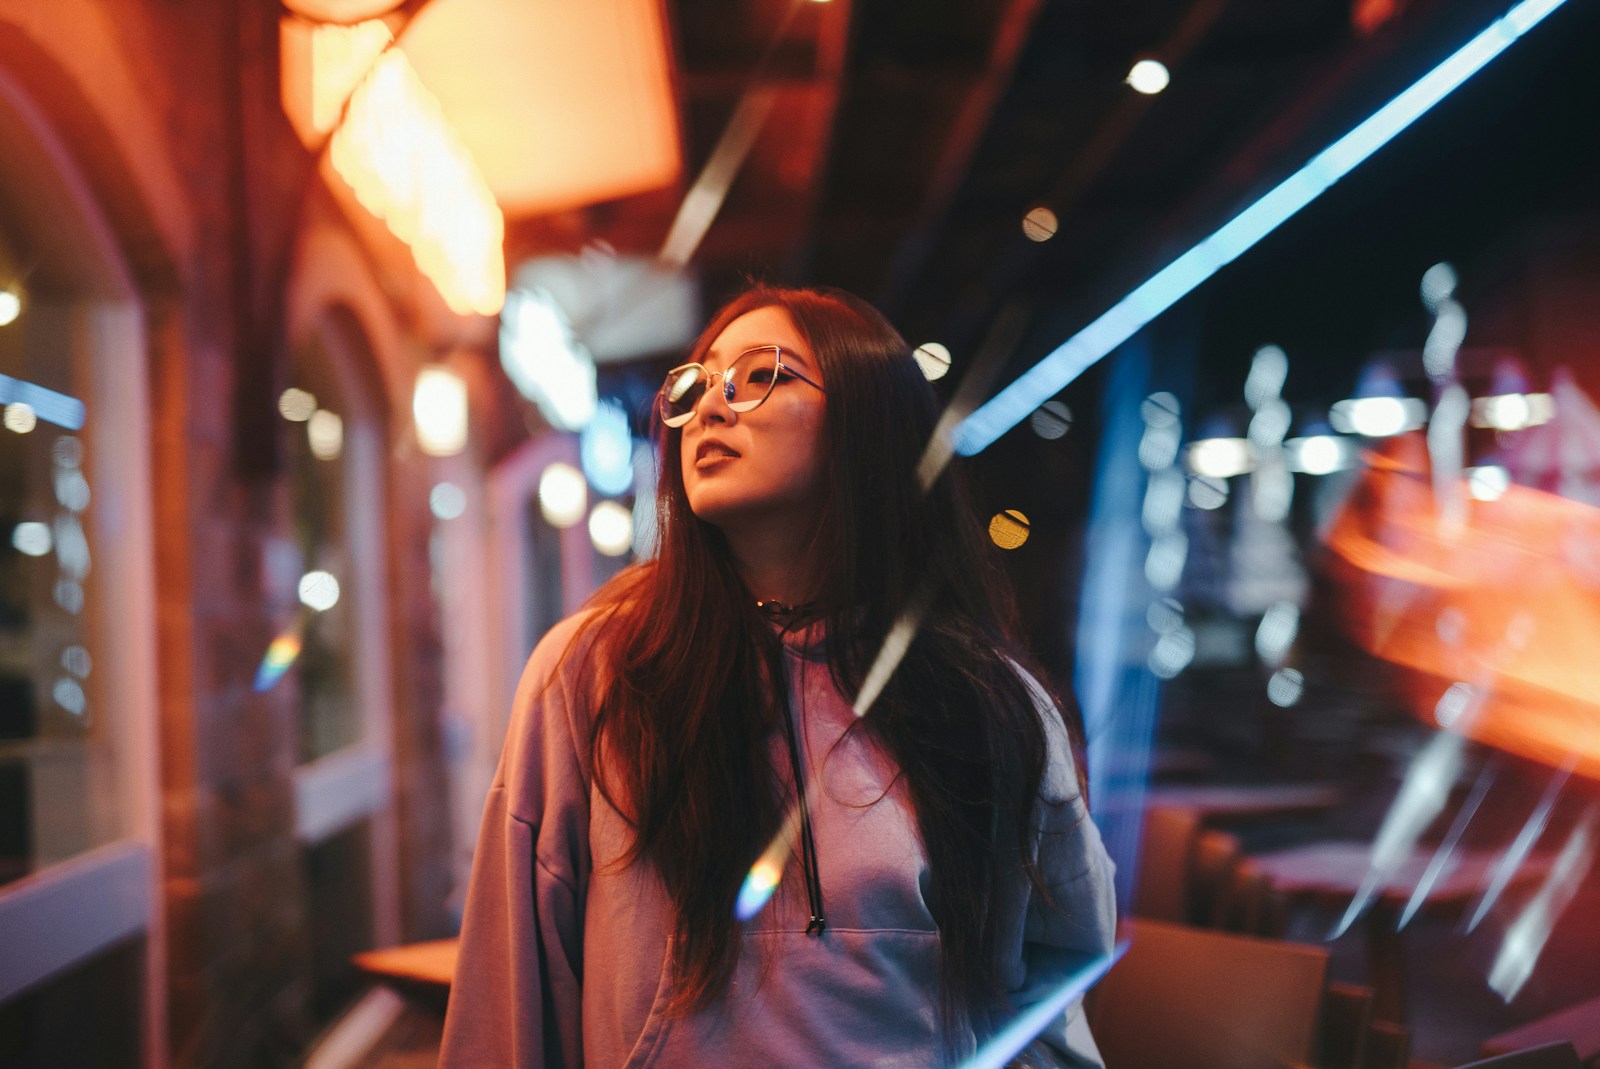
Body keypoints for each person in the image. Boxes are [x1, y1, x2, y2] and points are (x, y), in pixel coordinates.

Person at [438, 285, 1116, 1069]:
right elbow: (510, 990)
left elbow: (1054, 995)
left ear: (872, 426)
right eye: (696, 385)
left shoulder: (989, 701)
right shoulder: (598, 670)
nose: (710, 410)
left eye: (761, 375)